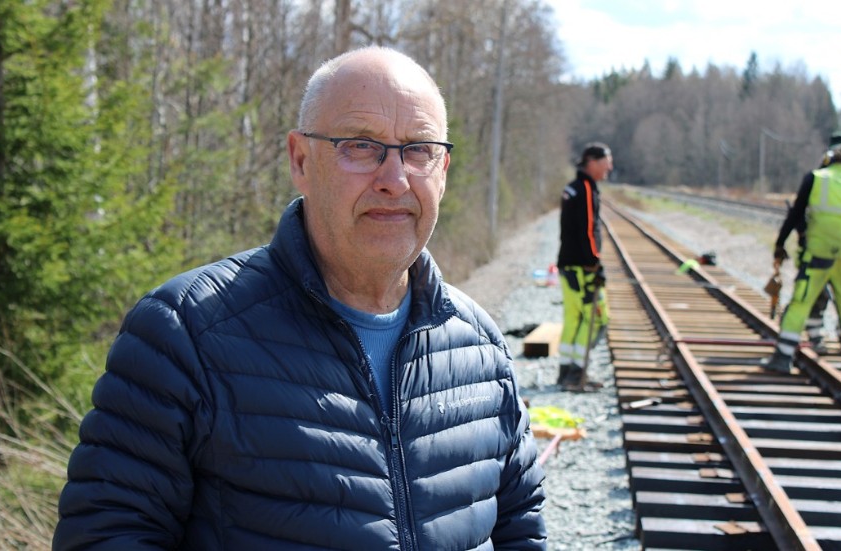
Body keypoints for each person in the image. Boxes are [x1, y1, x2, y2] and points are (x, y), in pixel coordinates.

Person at [53, 46, 547, 550]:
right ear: (300, 160)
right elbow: (104, 535)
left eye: (418, 149)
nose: (394, 179)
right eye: (360, 145)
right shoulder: (185, 333)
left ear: (442, 170)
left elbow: (521, 526)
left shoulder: (479, 346)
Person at [765, 141, 841, 376]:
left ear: (830, 160)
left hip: (818, 253)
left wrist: (780, 243)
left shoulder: (816, 178)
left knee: (801, 302)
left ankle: (783, 356)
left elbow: (796, 213)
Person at [556, 143, 612, 391]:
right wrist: (594, 263)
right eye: (606, 162)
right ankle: (576, 376)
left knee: (573, 319)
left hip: (568, 265)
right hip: (582, 268)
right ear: (592, 162)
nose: (609, 167)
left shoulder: (573, 188)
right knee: (598, 319)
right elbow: (589, 230)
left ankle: (565, 373)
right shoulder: (586, 189)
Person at [798, 131, 841, 353]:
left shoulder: (821, 173)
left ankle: (819, 336)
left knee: (818, 294)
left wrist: (802, 235)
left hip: (820, 245)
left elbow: (801, 209)